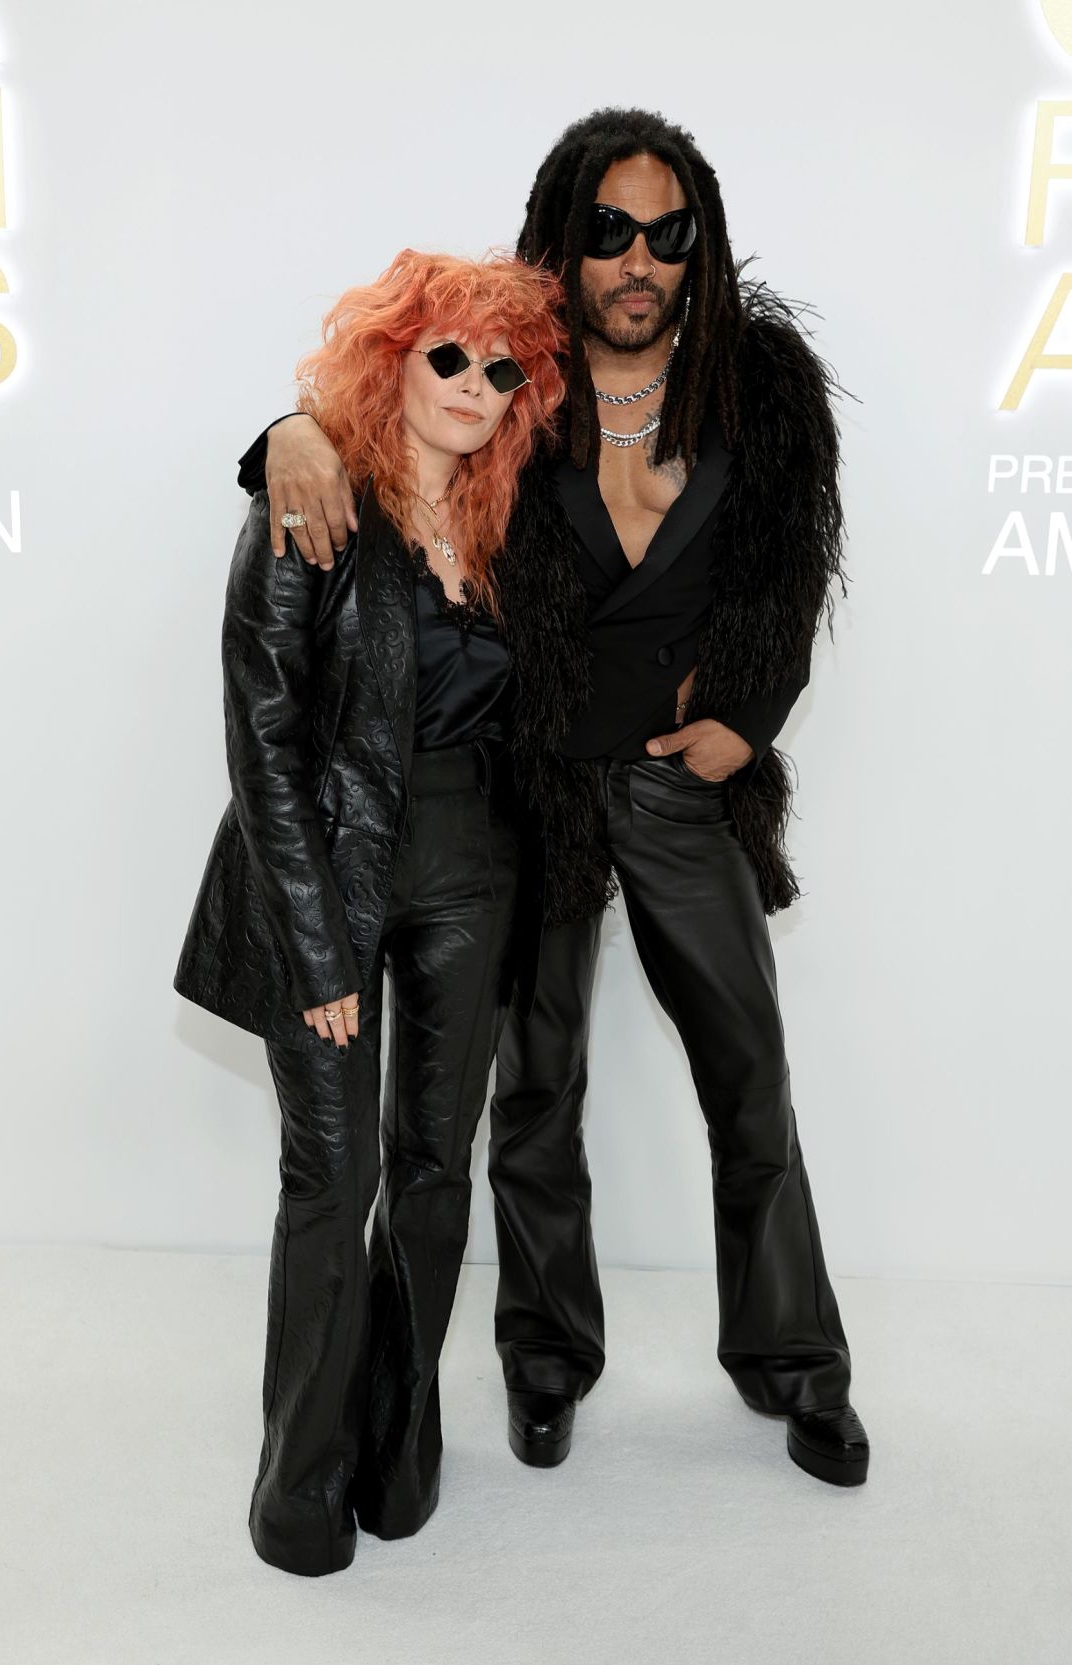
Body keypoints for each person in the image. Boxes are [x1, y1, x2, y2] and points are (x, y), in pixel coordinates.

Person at [236, 107, 870, 1490]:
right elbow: (384, 397)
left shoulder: (756, 381)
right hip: (531, 791)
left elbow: (790, 564)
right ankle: (544, 1357)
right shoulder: (517, 373)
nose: (636, 258)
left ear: (695, 241)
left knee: (748, 1082)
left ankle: (793, 1365)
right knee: (535, 1092)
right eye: (607, 231)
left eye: (665, 231)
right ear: (562, 240)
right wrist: (284, 428)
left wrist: (741, 727)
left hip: (676, 787)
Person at [174, 249, 574, 1577]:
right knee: (328, 1179)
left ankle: (401, 1446)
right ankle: (299, 1482)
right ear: (392, 356)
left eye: (498, 367)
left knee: (430, 1175)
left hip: (475, 881)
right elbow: (264, 737)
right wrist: (313, 939)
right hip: (332, 878)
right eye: (445, 354)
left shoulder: (517, 522)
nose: (471, 383)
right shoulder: (313, 496)